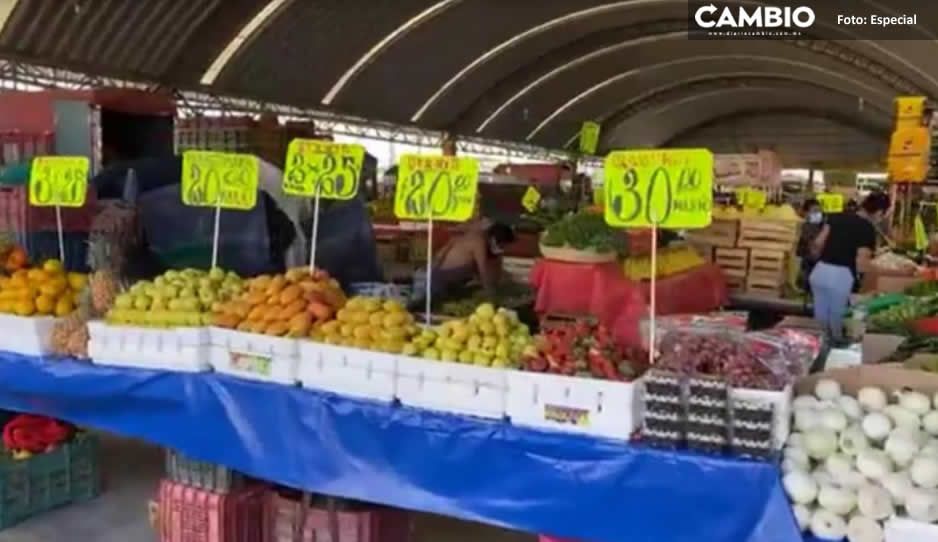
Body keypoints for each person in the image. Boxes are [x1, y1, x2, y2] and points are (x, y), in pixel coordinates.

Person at [809, 191, 890, 344]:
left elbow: (818, 244)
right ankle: (832, 361)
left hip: (819, 272)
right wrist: (894, 272)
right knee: (837, 326)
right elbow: (861, 265)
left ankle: (816, 354)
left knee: (820, 323)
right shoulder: (866, 228)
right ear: (879, 212)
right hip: (840, 277)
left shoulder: (836, 217)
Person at [409, 222, 515, 310]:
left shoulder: (468, 237)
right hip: (441, 280)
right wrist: (491, 296)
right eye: (502, 245)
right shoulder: (479, 241)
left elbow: (440, 255)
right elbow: (483, 271)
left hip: (444, 279)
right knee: (433, 307)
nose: (502, 248)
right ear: (496, 238)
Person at [796, 198, 824, 290]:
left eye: (819, 211)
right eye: (814, 211)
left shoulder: (822, 227)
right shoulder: (801, 225)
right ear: (806, 213)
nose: (818, 214)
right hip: (805, 260)